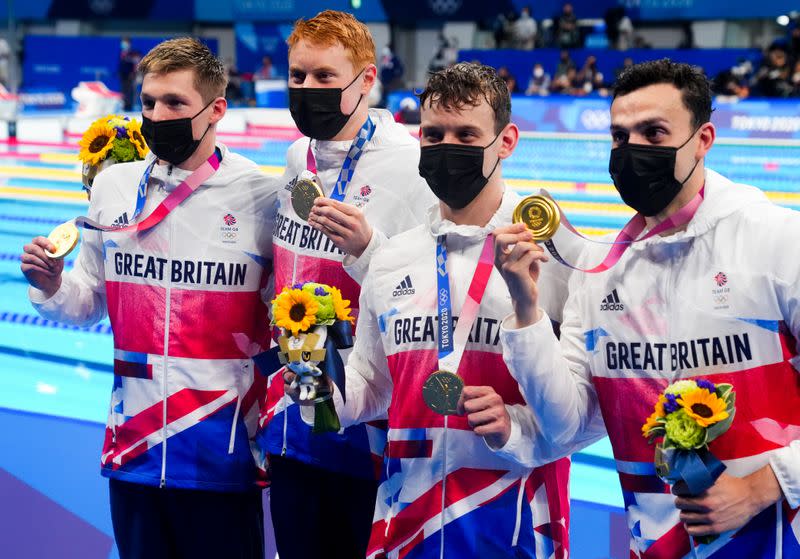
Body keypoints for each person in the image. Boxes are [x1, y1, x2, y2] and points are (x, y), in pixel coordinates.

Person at [494, 59, 800, 557]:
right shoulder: (601, 275)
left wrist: (766, 485)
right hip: (654, 547)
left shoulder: (778, 241)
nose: (633, 149)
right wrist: (526, 309)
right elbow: (567, 426)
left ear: (703, 139)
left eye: (654, 132)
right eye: (620, 136)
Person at [294, 61, 579, 558]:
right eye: (435, 134)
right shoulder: (392, 258)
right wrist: (307, 371)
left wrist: (516, 426)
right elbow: (366, 394)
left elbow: (586, 419)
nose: (449, 147)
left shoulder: (551, 253)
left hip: (513, 529)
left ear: (506, 141)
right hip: (404, 530)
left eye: (467, 134)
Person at [20, 37, 278, 559]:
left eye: (175, 103)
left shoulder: (260, 196)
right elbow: (88, 298)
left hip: (222, 451)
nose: (158, 115)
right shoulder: (113, 186)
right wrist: (51, 286)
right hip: (133, 445)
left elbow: (285, 321)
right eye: (149, 102)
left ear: (216, 110)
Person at [258, 10, 435, 559]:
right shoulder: (297, 158)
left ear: (366, 79)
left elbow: (436, 294)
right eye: (298, 76)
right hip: (293, 419)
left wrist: (371, 251)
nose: (307, 89)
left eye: (324, 77)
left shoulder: (412, 168)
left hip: (368, 432)